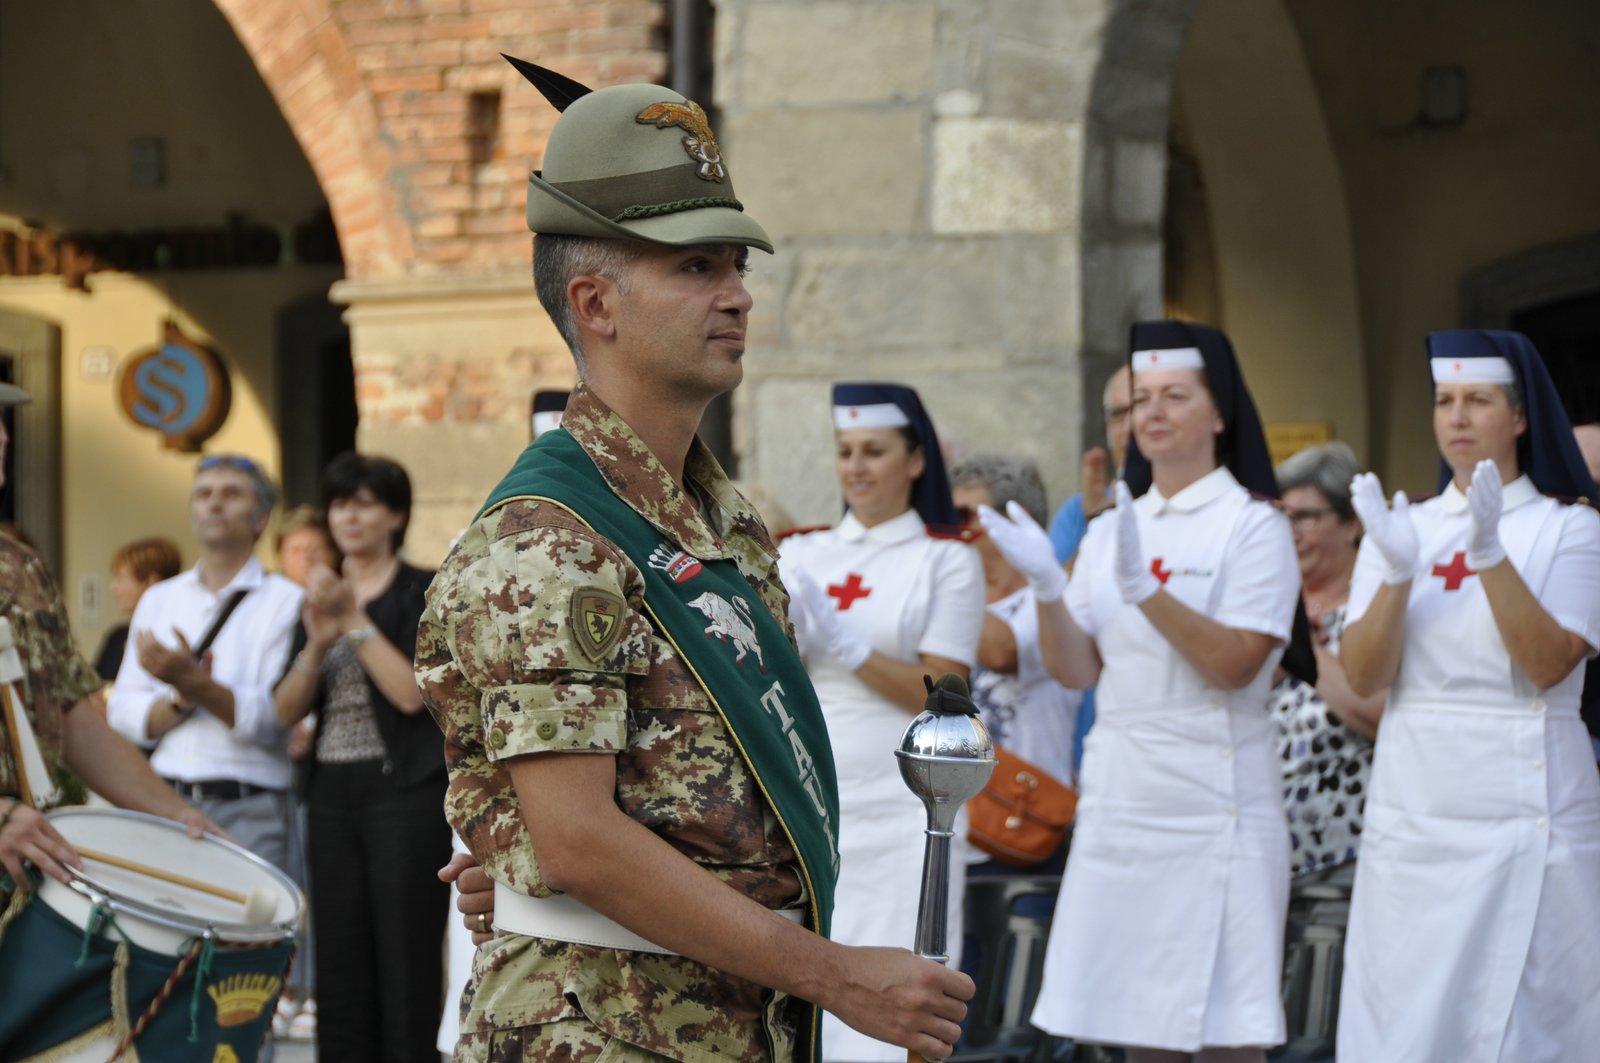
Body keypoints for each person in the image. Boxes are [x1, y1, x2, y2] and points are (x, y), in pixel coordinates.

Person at [416, 59, 973, 1063]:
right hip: (600, 1033)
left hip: (728, 1022)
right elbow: (580, 838)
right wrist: (837, 974)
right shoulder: (549, 535)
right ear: (595, 302)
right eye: (695, 268)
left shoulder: (719, 519)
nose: (739, 298)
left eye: (736, 265)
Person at [980, 321, 1302, 1062]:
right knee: (1133, 1032)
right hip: (1126, 799)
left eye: (1175, 396)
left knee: (1224, 1035)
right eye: (1141, 399)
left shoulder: (1253, 525)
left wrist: (1146, 589)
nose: (1151, 413)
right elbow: (1076, 669)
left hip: (1214, 804)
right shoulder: (1112, 528)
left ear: (1219, 413)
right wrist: (1050, 587)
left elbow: (1236, 663)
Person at [1337, 329, 1600, 1062]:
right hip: (1414, 813)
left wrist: (1488, 554)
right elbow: (1364, 674)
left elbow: (1548, 663)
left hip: (1525, 809)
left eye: (1477, 400)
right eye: (1444, 400)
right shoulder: (1403, 526)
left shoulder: (1570, 527)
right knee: (1406, 1020)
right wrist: (1393, 570)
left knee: (1523, 1025)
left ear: (1518, 417)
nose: (1455, 417)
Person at [779, 382, 986, 1061]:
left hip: (906, 804)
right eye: (845, 451)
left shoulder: (946, 558)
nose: (857, 467)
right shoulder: (803, 553)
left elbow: (946, 694)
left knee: (895, 1005)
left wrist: (855, 649)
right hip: (812, 794)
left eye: (874, 450)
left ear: (916, 460)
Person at [0, 382, 218, 887]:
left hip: (25, 866)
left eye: (4, 421)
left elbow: (72, 713)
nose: (5, 437)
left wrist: (175, 814)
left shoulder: (19, 566)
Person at [273, 453, 446, 1062]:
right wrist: (318, 641)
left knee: (406, 954)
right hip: (330, 792)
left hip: (403, 793)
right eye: (341, 503)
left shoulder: (419, 589)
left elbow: (410, 694)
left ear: (395, 515)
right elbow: (286, 709)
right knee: (340, 960)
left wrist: (351, 617)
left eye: (365, 503)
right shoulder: (315, 597)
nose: (349, 516)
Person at [107, 455, 302, 894]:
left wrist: (197, 685)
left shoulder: (287, 601)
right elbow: (121, 710)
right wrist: (180, 699)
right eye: (204, 494)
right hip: (163, 802)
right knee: (165, 951)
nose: (214, 504)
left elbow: (273, 721)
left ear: (260, 519)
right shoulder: (160, 598)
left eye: (231, 494)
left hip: (250, 805)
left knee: (249, 954)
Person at [1267, 442, 1381, 876]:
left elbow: (1379, 715)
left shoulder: (1376, 611)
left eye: (1307, 518)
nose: (1290, 532)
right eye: (1283, 517)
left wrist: (1306, 652)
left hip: (1345, 859)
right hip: (1261, 856)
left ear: (1352, 522)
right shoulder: (1267, 609)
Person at [950, 452, 1079, 794]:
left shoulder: (1056, 597)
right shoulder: (949, 593)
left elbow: (1003, 652)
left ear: (1017, 522)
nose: (952, 527)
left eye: (963, 515)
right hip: (952, 809)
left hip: (1024, 815)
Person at [1047, 365, 1131, 564]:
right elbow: (1060, 592)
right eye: (1118, 414)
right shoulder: (1076, 512)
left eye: (1141, 408)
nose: (1129, 428)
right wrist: (1096, 523)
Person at [95, 537, 183, 681]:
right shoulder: (117, 637)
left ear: (151, 582)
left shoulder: (176, 637)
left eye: (121, 578)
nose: (114, 588)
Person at [276, 505, 337, 589]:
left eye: (315, 550)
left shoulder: (349, 597)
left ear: (332, 555)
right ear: (280, 557)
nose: (306, 557)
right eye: (296, 550)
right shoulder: (266, 599)